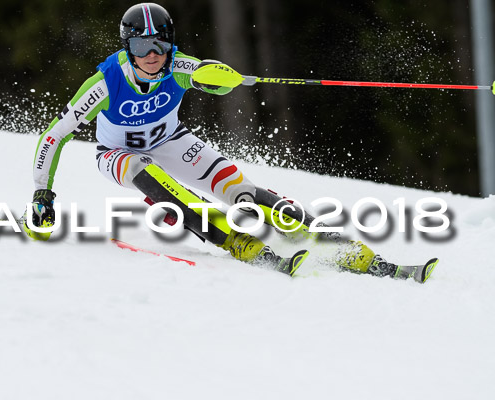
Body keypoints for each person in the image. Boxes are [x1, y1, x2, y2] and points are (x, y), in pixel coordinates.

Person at [25, 3, 436, 283]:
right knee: (141, 170)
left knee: (242, 191)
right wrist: (42, 193)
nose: (152, 56)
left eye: (160, 45)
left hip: (171, 140)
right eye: (140, 46)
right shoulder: (104, 84)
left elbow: (212, 80)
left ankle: (347, 249)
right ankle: (231, 239)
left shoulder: (179, 68)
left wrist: (223, 77)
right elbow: (54, 135)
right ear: (126, 47)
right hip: (117, 154)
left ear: (170, 42)